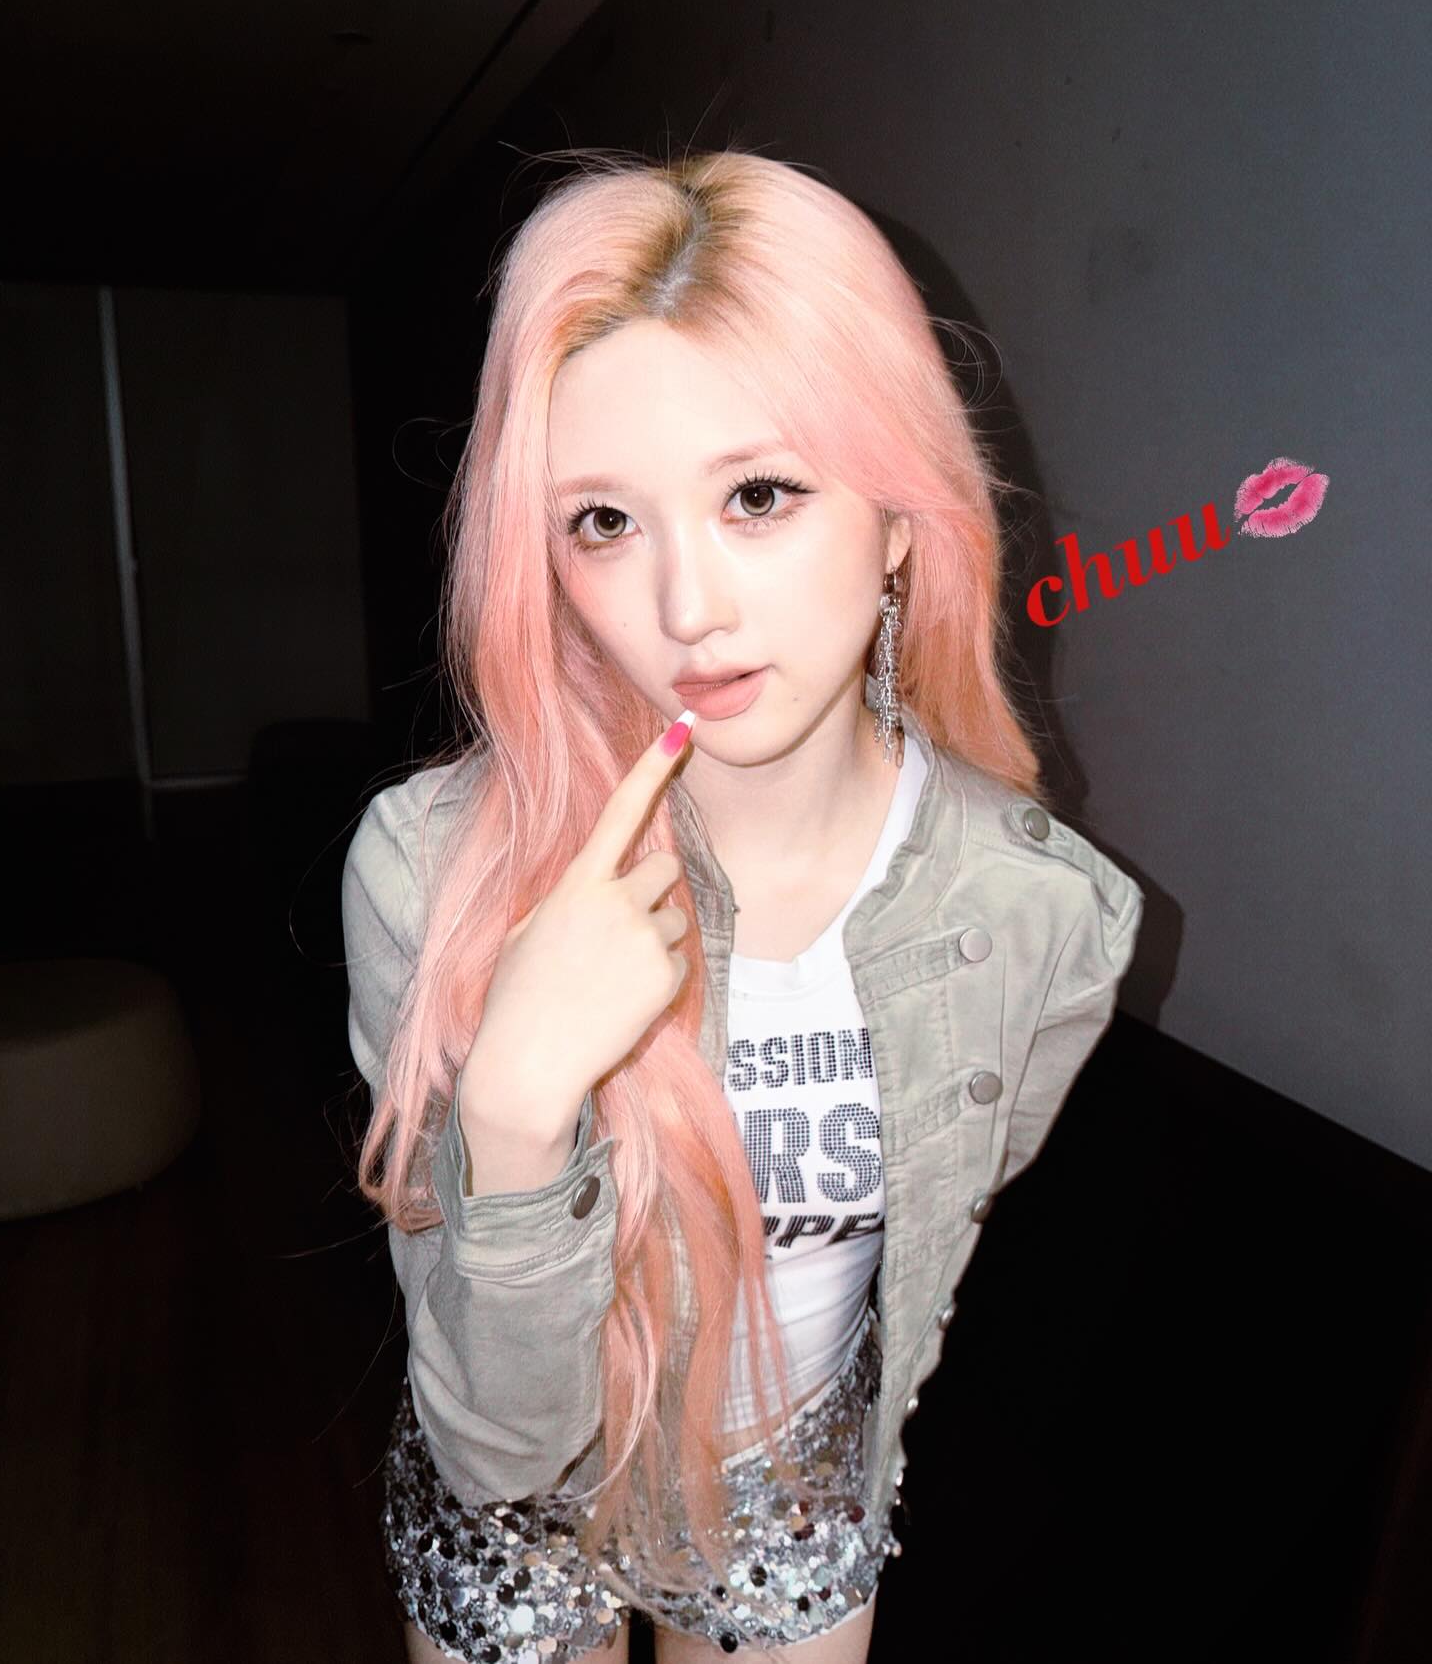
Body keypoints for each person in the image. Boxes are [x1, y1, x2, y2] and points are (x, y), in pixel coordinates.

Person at [342, 148, 1145, 1664]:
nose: (687, 609)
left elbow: (935, 1287)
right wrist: (515, 1108)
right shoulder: (431, 869)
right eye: (602, 522)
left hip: (793, 1497)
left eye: (758, 496)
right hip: (514, 1513)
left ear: (899, 513)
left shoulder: (1042, 918)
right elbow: (503, 1446)